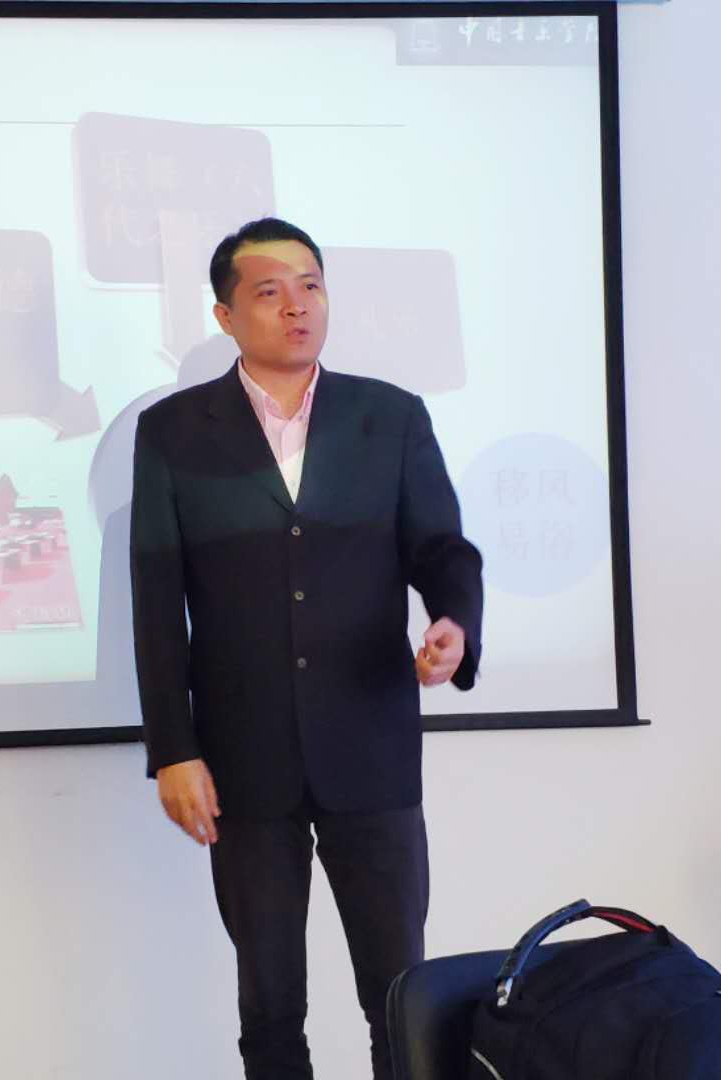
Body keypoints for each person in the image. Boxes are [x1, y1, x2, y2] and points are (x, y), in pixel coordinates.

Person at [130, 217, 483, 1080]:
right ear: (225, 315)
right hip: (243, 759)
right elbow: (155, 601)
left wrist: (453, 621)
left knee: (400, 997)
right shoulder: (174, 431)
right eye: (270, 291)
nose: (298, 307)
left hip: (371, 745)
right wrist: (174, 749)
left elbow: (442, 547)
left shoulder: (389, 417)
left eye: (311, 286)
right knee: (270, 1004)